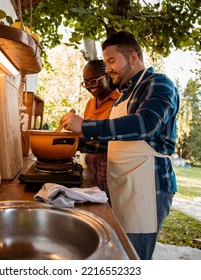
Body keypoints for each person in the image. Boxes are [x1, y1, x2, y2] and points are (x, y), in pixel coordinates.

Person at [61, 31, 179, 260]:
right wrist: (68, 144)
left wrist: (86, 125)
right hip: (125, 187)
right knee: (119, 254)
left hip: (148, 188)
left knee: (133, 258)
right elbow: (113, 144)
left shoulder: (159, 84)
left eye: (111, 61)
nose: (107, 69)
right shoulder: (124, 95)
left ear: (133, 57)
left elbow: (146, 125)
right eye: (106, 63)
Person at [79, 60, 121, 200]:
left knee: (105, 204)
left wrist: (78, 143)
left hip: (109, 164)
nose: (89, 87)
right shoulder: (90, 103)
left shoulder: (119, 101)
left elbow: (113, 141)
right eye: (86, 83)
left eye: (93, 82)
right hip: (90, 161)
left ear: (108, 76)